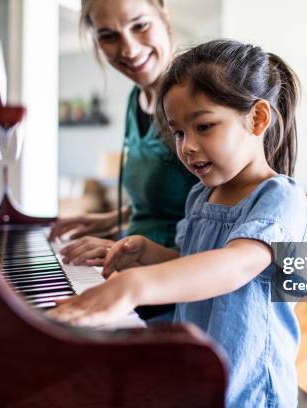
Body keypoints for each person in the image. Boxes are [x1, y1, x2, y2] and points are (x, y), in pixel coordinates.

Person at [48, 39, 307, 406]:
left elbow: (234, 266)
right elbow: (192, 263)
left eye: (203, 126)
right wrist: (148, 254)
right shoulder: (201, 196)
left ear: (258, 118)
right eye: (179, 132)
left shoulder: (280, 198)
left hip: (249, 390)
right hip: (199, 376)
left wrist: (135, 286)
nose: (186, 146)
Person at [48, 0, 197, 266]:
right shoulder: (135, 100)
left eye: (140, 25)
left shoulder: (200, 96)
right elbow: (172, 203)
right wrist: (112, 219)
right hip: (139, 279)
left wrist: (292, 286)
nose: (128, 49)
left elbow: (248, 211)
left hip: (177, 288)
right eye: (108, 36)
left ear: (164, 14)